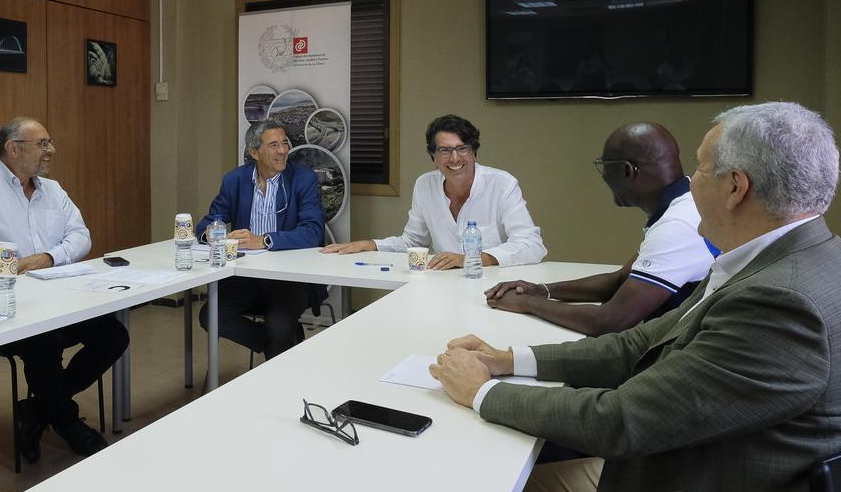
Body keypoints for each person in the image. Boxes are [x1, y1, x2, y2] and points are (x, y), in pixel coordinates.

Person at [429, 101, 841, 492]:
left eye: (697, 170)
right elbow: (638, 343)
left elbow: (622, 418)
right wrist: (507, 359)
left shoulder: (783, 302)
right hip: (694, 471)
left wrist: (481, 392)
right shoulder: (774, 260)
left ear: (735, 187)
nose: (686, 184)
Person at [0, 116, 127, 459]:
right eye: (42, 144)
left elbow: (80, 235)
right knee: (44, 343)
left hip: (53, 298)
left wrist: (50, 257)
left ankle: (38, 409)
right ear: (13, 148)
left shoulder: (53, 191)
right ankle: (67, 422)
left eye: (49, 143)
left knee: (114, 335)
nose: (50, 150)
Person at [483, 122, 716, 335]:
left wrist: (527, 304)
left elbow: (610, 320)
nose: (603, 175)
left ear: (627, 171)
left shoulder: (677, 225)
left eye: (604, 167)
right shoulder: (686, 204)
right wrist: (539, 290)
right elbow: (618, 281)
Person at [322, 115, 546, 269]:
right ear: (433, 157)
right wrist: (368, 244)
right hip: (443, 283)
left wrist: (472, 259)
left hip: (495, 285)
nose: (455, 158)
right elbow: (412, 242)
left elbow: (531, 245)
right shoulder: (424, 185)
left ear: (474, 153)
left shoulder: (502, 184)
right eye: (445, 151)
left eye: (462, 149)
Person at [195, 120, 326, 361]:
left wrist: (264, 240)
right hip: (246, 276)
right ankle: (275, 345)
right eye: (273, 145)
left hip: (290, 277)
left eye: (285, 143)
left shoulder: (302, 178)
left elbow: (313, 232)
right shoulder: (236, 180)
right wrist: (217, 236)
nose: (283, 151)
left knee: (278, 326)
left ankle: (276, 370)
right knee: (210, 316)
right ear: (253, 152)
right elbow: (207, 223)